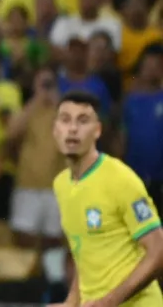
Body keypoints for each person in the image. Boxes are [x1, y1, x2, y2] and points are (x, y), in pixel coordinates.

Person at [51, 90, 163, 307]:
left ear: (98, 130)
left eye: (83, 121)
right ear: (55, 129)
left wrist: (110, 301)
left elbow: (159, 251)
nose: (72, 128)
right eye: (65, 120)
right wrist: (72, 302)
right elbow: (84, 254)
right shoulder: (61, 185)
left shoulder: (120, 179)